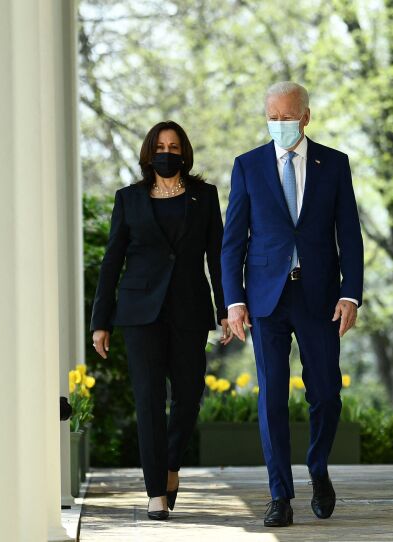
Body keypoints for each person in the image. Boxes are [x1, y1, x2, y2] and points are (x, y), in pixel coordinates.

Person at [221, 81, 364, 527]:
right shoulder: (247, 166)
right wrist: (234, 302)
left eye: (287, 116)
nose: (279, 124)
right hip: (266, 299)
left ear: (306, 116)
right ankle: (279, 494)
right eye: (273, 116)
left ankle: (317, 469)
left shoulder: (334, 164)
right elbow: (233, 243)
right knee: (272, 400)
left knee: (326, 394)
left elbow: (351, 236)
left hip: (319, 296)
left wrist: (350, 292)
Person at [90, 121, 231, 520]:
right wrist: (101, 321)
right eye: (160, 146)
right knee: (149, 400)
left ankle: (170, 465)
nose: (167, 152)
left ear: (184, 152)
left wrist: (226, 308)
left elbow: (217, 257)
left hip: (189, 310)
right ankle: (156, 491)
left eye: (174, 145)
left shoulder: (204, 196)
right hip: (139, 314)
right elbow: (112, 261)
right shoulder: (128, 199)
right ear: (149, 153)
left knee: (188, 395)